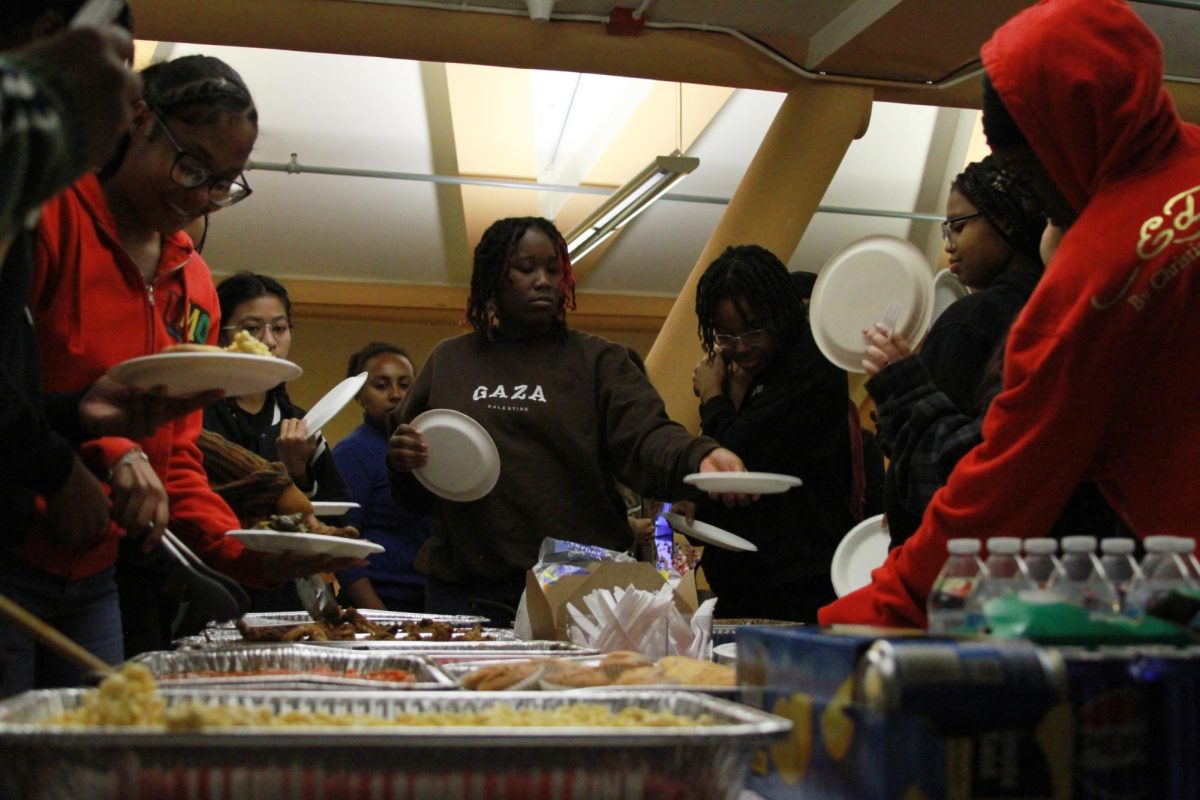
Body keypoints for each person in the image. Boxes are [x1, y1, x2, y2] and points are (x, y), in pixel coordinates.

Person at [820, 0, 1200, 628]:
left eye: (1025, 167)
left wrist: (858, 615)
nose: (1035, 194)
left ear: (1064, 140)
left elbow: (998, 496)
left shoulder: (1091, 285)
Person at [14, 54, 361, 687]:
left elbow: (176, 460)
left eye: (224, 182)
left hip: (97, 573)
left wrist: (249, 553)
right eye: (192, 166)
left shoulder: (193, 282)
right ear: (140, 120)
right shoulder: (48, 218)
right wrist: (87, 460)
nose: (203, 196)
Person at [387, 216, 749, 623]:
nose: (543, 280)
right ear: (493, 278)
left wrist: (698, 455)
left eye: (553, 270)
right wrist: (402, 461)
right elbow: (413, 494)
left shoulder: (599, 362)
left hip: (575, 586)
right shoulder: (449, 362)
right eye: (526, 268)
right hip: (467, 590)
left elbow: (646, 437)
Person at [866, 157, 1047, 546]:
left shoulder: (972, 319)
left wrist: (899, 385)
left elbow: (930, 462)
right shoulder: (1058, 310)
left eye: (960, 226)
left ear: (1007, 221)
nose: (950, 245)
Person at [684, 245, 856, 622]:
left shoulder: (813, 359)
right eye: (725, 335)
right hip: (741, 583)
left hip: (798, 586)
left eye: (753, 331)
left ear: (781, 313)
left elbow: (743, 447)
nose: (741, 347)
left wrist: (713, 396)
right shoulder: (743, 368)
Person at [205, 272, 351, 507]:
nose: (270, 341)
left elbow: (338, 514)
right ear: (222, 337)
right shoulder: (195, 414)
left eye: (280, 328)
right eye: (252, 328)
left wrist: (298, 473)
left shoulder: (304, 424)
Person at [332, 343, 432, 612]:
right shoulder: (352, 453)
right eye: (382, 385)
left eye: (405, 384)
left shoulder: (428, 446)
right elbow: (342, 546)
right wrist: (379, 617)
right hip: (381, 601)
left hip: (433, 597)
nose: (396, 395)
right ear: (360, 395)